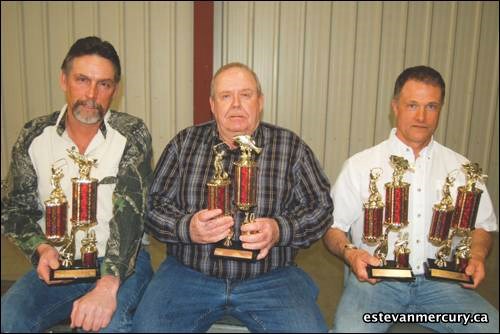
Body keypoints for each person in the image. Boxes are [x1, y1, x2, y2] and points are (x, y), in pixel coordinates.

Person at [133, 62, 333, 332]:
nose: (236, 104)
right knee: (148, 329)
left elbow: (320, 207)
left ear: (260, 101)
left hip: (271, 276)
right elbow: (152, 206)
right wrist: (187, 227)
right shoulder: (184, 144)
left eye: (246, 95)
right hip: (189, 274)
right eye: (226, 96)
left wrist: (279, 229)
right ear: (212, 105)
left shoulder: (290, 147)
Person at [324, 65, 499, 332]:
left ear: (441, 109)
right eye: (412, 105)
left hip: (441, 285)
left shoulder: (461, 169)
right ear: (395, 107)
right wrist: (351, 253)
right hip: (376, 284)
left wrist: (476, 254)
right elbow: (332, 228)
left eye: (431, 106)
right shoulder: (359, 166)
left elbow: (482, 226)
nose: (421, 116)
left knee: (490, 327)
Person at [1, 36, 154, 333]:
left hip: (123, 264)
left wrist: (107, 285)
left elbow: (130, 217)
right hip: (58, 262)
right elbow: (14, 210)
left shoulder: (132, 134)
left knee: (110, 326)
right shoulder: (34, 136)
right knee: (9, 320)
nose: (92, 94)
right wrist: (41, 250)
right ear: (64, 80)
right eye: (82, 80)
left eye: (104, 84)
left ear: (115, 90)